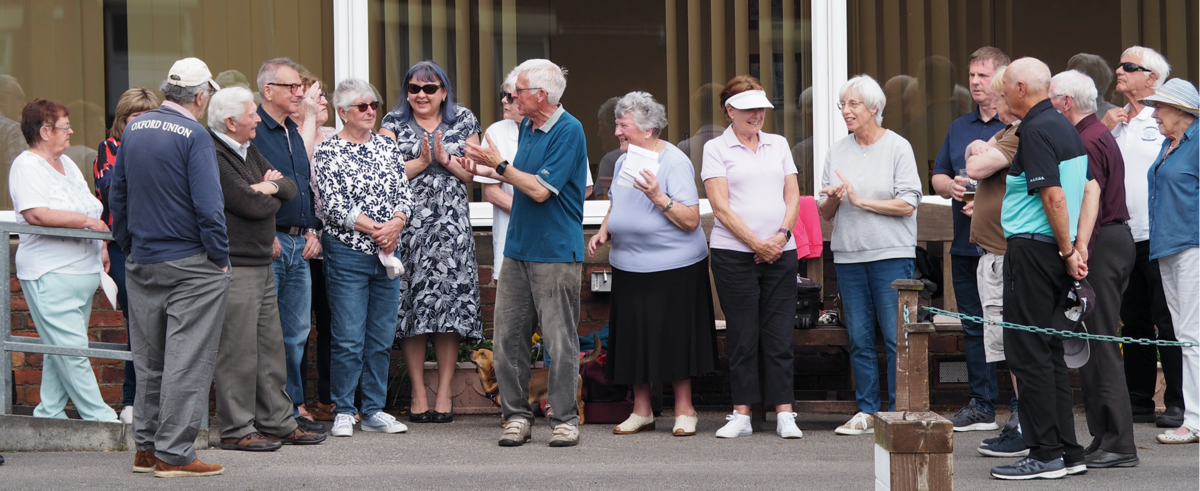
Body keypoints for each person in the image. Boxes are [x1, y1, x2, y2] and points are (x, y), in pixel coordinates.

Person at [110, 57, 228, 477]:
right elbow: (209, 206)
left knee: (150, 360)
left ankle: (145, 448)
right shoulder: (195, 134)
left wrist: (128, 243)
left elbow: (117, 194)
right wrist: (220, 256)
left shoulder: (135, 128)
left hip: (143, 259)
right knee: (187, 360)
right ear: (200, 95)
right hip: (190, 263)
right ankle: (173, 454)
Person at [462, 59, 589, 447]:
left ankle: (565, 419)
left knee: (559, 340)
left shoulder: (569, 130)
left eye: (518, 89)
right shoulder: (529, 127)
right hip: (517, 249)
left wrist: (497, 164)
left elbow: (537, 190)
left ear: (541, 95)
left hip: (554, 251)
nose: (511, 95)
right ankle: (516, 416)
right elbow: (511, 177)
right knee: (508, 339)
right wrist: (473, 165)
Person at [988, 57, 1097, 480]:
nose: (1000, 97)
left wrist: (1070, 248)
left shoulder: (1033, 129)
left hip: (1034, 251)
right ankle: (1068, 451)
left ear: (1019, 88)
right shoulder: (1064, 126)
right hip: (1052, 251)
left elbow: (1053, 196)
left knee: (1028, 353)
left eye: (1003, 89)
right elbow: (1090, 189)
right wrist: (1074, 248)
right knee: (1049, 353)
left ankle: (1045, 453)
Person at [586, 91, 717, 437]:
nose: (617, 132)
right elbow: (616, 202)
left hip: (674, 266)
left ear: (648, 128)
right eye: (617, 124)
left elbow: (691, 220)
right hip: (629, 263)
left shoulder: (673, 161)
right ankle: (641, 410)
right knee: (634, 339)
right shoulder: (621, 160)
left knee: (675, 337)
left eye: (622, 125)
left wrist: (659, 196)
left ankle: (685, 410)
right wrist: (604, 230)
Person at [207, 86, 326, 451]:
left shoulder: (247, 149)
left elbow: (289, 188)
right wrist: (267, 192)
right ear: (230, 122)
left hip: (261, 259)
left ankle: (277, 420)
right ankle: (236, 428)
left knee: (271, 346)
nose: (258, 118)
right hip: (237, 262)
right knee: (237, 350)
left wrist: (267, 187)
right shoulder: (215, 152)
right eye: (250, 114)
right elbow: (247, 202)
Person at [378, 61, 483, 424]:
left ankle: (444, 394)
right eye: (413, 88)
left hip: (450, 227)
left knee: (448, 308)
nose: (420, 95)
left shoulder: (464, 119)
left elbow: (474, 174)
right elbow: (383, 174)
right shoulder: (392, 122)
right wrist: (421, 163)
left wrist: (444, 160)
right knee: (412, 307)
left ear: (444, 92)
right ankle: (419, 393)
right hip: (407, 225)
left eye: (429, 88)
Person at [819, 74, 921, 436]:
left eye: (853, 104)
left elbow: (908, 203)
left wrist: (861, 201)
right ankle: (866, 410)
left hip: (891, 256)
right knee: (859, 338)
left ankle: (898, 410)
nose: (845, 111)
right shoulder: (837, 150)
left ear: (874, 108)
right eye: (842, 105)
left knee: (896, 337)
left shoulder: (897, 147)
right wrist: (832, 199)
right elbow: (826, 213)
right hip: (848, 255)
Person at [701, 75, 802, 439]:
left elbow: (793, 197)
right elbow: (720, 208)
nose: (756, 114)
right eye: (747, 108)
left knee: (778, 335)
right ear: (730, 110)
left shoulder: (778, 144)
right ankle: (741, 413)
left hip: (781, 252)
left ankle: (785, 413)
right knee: (743, 335)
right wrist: (757, 245)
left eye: (760, 107)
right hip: (734, 255)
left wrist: (780, 238)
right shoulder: (716, 148)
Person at [313, 78, 412, 437]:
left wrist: (396, 223)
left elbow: (405, 194)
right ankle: (344, 408)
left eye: (373, 105)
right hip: (348, 252)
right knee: (348, 336)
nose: (371, 112)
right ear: (342, 113)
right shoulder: (328, 150)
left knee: (381, 335)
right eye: (362, 107)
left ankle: (373, 409)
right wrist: (377, 229)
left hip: (388, 252)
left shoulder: (387, 146)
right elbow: (334, 206)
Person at [1048, 70, 1138, 468]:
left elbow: (1091, 202)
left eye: (1051, 100)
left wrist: (1078, 252)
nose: (1048, 108)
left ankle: (1118, 441)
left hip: (1101, 241)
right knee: (1094, 341)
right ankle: (1105, 436)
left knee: (1100, 343)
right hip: (1108, 240)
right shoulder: (1096, 134)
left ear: (1066, 102)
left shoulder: (1085, 140)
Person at [9, 98, 117, 424]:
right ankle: (102, 420)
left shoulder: (67, 164)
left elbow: (89, 206)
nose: (70, 132)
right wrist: (89, 225)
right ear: (44, 131)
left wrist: (99, 247)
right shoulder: (26, 165)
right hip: (50, 271)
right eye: (64, 126)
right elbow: (37, 213)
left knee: (63, 349)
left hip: (82, 270)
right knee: (73, 351)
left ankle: (48, 414)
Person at [929, 46, 1010, 433]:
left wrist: (987, 205)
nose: (975, 82)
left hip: (1004, 247)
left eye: (982, 75)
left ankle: (1023, 408)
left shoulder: (1015, 128)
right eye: (972, 74)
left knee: (1011, 327)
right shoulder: (958, 126)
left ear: (1002, 78)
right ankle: (982, 403)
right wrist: (954, 187)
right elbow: (938, 176)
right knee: (974, 326)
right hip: (963, 246)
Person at [1103, 46, 1182, 429]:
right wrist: (1104, 128)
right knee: (1131, 319)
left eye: (1129, 67)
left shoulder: (1168, 119)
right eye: (1119, 65)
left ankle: (1177, 401)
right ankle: (1137, 399)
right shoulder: (1114, 121)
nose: (1119, 70)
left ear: (1152, 78)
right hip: (1123, 233)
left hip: (1160, 233)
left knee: (1166, 319)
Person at [251, 58, 323, 432]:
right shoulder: (254, 133)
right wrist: (267, 234)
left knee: (296, 335)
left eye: (299, 87)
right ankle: (270, 412)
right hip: (272, 243)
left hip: (299, 243)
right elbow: (247, 191)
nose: (300, 93)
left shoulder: (292, 132)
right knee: (268, 334)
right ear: (268, 91)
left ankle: (293, 407)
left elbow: (304, 188)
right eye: (291, 87)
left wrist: (312, 231)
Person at [966, 68, 1027, 458]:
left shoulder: (1020, 133)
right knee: (1003, 343)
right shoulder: (1006, 134)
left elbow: (974, 167)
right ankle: (1018, 421)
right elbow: (972, 155)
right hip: (992, 255)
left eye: (1000, 94)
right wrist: (979, 145)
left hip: (1006, 255)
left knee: (1014, 343)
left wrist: (979, 149)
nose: (994, 100)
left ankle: (1022, 423)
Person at [91, 87, 159, 425]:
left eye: (149, 117)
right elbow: (110, 187)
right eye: (136, 117)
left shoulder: (164, 147)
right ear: (123, 120)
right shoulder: (110, 148)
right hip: (123, 245)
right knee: (139, 324)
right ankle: (131, 400)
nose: (142, 123)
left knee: (159, 326)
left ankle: (156, 401)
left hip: (160, 245)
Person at [1141, 78, 1200, 445]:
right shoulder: (1169, 144)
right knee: (1184, 334)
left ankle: (1194, 419)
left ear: (1181, 110)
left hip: (1192, 245)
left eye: (1160, 106)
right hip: (1167, 247)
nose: (1153, 112)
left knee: (1192, 334)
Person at [294, 73, 337, 422]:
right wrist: (309, 230)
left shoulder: (337, 137)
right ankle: (294, 402)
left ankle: (329, 398)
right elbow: (296, 187)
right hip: (301, 244)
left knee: (333, 326)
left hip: (333, 245)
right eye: (317, 96)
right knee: (295, 329)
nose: (324, 102)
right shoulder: (289, 139)